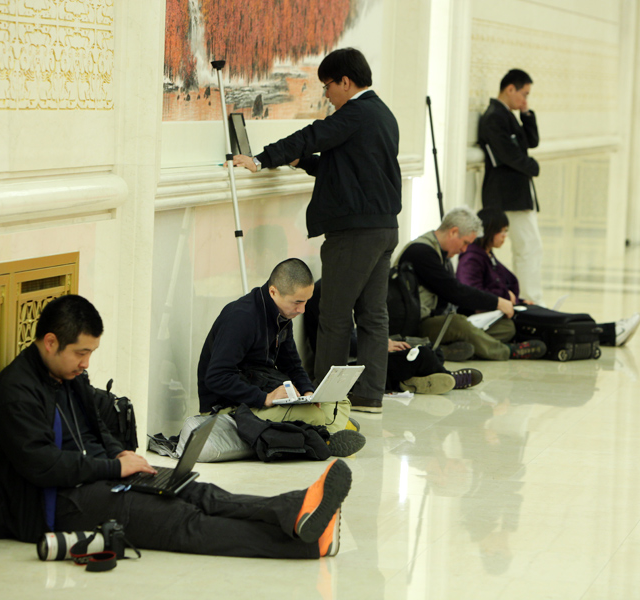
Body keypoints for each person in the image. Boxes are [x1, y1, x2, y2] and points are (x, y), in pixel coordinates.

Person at [0, 295, 351, 558]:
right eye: (81, 353)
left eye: (91, 353)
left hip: (97, 476)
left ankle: (297, 509)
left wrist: (120, 453)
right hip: (56, 505)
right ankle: (307, 544)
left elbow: (97, 427)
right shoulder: (16, 393)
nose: (86, 362)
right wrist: (114, 467)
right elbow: (43, 467)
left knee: (197, 491)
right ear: (50, 343)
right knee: (182, 520)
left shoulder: (67, 374)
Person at [232, 48, 400, 414]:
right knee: (373, 316)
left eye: (327, 85)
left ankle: (325, 401)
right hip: (384, 228)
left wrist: (262, 159)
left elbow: (313, 134)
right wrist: (300, 161)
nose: (326, 94)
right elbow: (344, 169)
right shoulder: (382, 115)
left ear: (345, 81)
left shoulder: (355, 112)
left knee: (335, 314)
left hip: (355, 233)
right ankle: (369, 396)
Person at [198, 258, 365, 455]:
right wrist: (265, 398)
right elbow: (216, 377)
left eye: (306, 302)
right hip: (229, 406)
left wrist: (308, 392)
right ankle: (327, 436)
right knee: (315, 415)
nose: (302, 310)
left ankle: (323, 432)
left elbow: (292, 365)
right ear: (273, 291)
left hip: (260, 390)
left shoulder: (282, 316)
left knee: (339, 400)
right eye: (297, 302)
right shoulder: (240, 317)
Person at [457, 209, 640, 346]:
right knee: (555, 323)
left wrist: (518, 300)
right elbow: (471, 293)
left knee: (552, 316)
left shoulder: (486, 254)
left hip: (504, 309)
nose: (505, 236)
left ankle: (609, 328)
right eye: (502, 231)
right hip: (492, 316)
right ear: (490, 230)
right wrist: (504, 297)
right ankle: (609, 332)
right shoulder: (473, 256)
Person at [396, 207, 546, 362]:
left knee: (505, 328)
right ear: (453, 232)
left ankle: (447, 350)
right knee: (458, 323)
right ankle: (506, 351)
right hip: (416, 325)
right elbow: (454, 291)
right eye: (465, 242)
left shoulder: (442, 254)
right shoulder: (421, 252)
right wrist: (497, 302)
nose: (464, 249)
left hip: (438, 319)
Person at [302, 279, 484, 400]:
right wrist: (381, 346)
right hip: (349, 367)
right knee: (423, 355)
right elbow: (338, 345)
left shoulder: (341, 288)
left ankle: (408, 382)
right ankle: (446, 376)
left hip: (361, 354)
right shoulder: (327, 293)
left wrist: (384, 343)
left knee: (425, 349)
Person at [477, 68, 544, 305]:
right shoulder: (495, 116)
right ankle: (530, 299)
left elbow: (532, 141)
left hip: (517, 194)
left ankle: (530, 297)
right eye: (523, 94)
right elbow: (508, 155)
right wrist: (533, 166)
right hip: (508, 195)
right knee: (528, 248)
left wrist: (526, 113)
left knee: (530, 247)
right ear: (510, 88)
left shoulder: (508, 114)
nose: (525, 100)